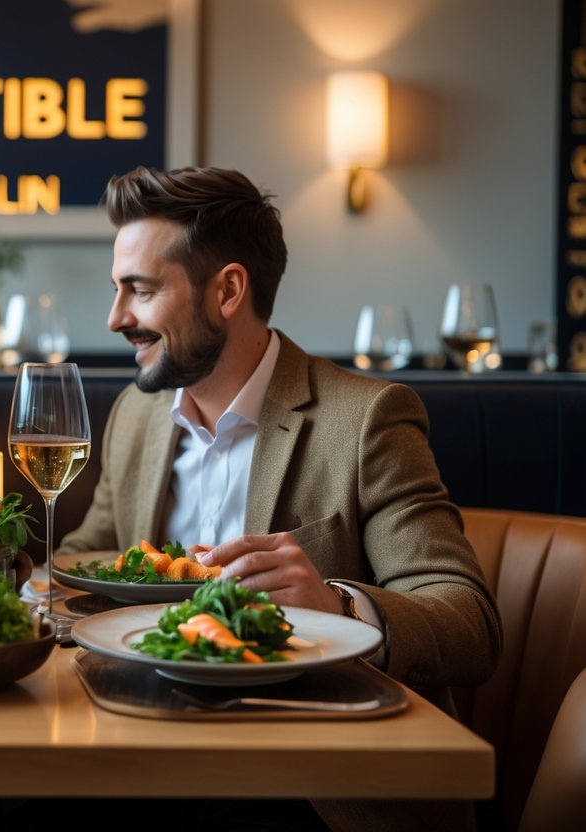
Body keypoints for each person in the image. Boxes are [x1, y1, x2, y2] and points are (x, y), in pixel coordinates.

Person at [55, 166, 502, 829]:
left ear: (227, 290)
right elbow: (89, 555)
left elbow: (470, 624)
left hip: (311, 781)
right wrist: (2, 561)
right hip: (139, 739)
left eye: (140, 290)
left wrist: (338, 605)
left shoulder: (367, 419)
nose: (116, 317)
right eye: (118, 290)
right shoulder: (136, 414)